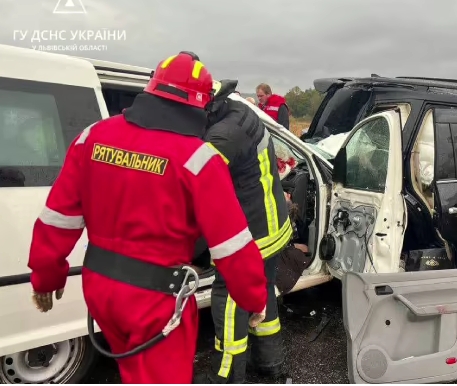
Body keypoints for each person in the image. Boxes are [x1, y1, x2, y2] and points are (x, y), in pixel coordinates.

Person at [27, 51, 268, 384]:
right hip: (154, 300)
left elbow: (58, 218)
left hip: (100, 288)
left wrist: (45, 276)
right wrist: (253, 297)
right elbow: (231, 246)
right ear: (201, 104)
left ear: (152, 89)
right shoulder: (199, 160)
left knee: (134, 372)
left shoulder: (92, 136)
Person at [199, 79, 293, 383]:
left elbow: (195, 184)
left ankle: (226, 376)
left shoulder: (222, 137)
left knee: (229, 300)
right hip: (272, 226)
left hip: (250, 235)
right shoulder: (240, 111)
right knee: (263, 292)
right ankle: (270, 364)